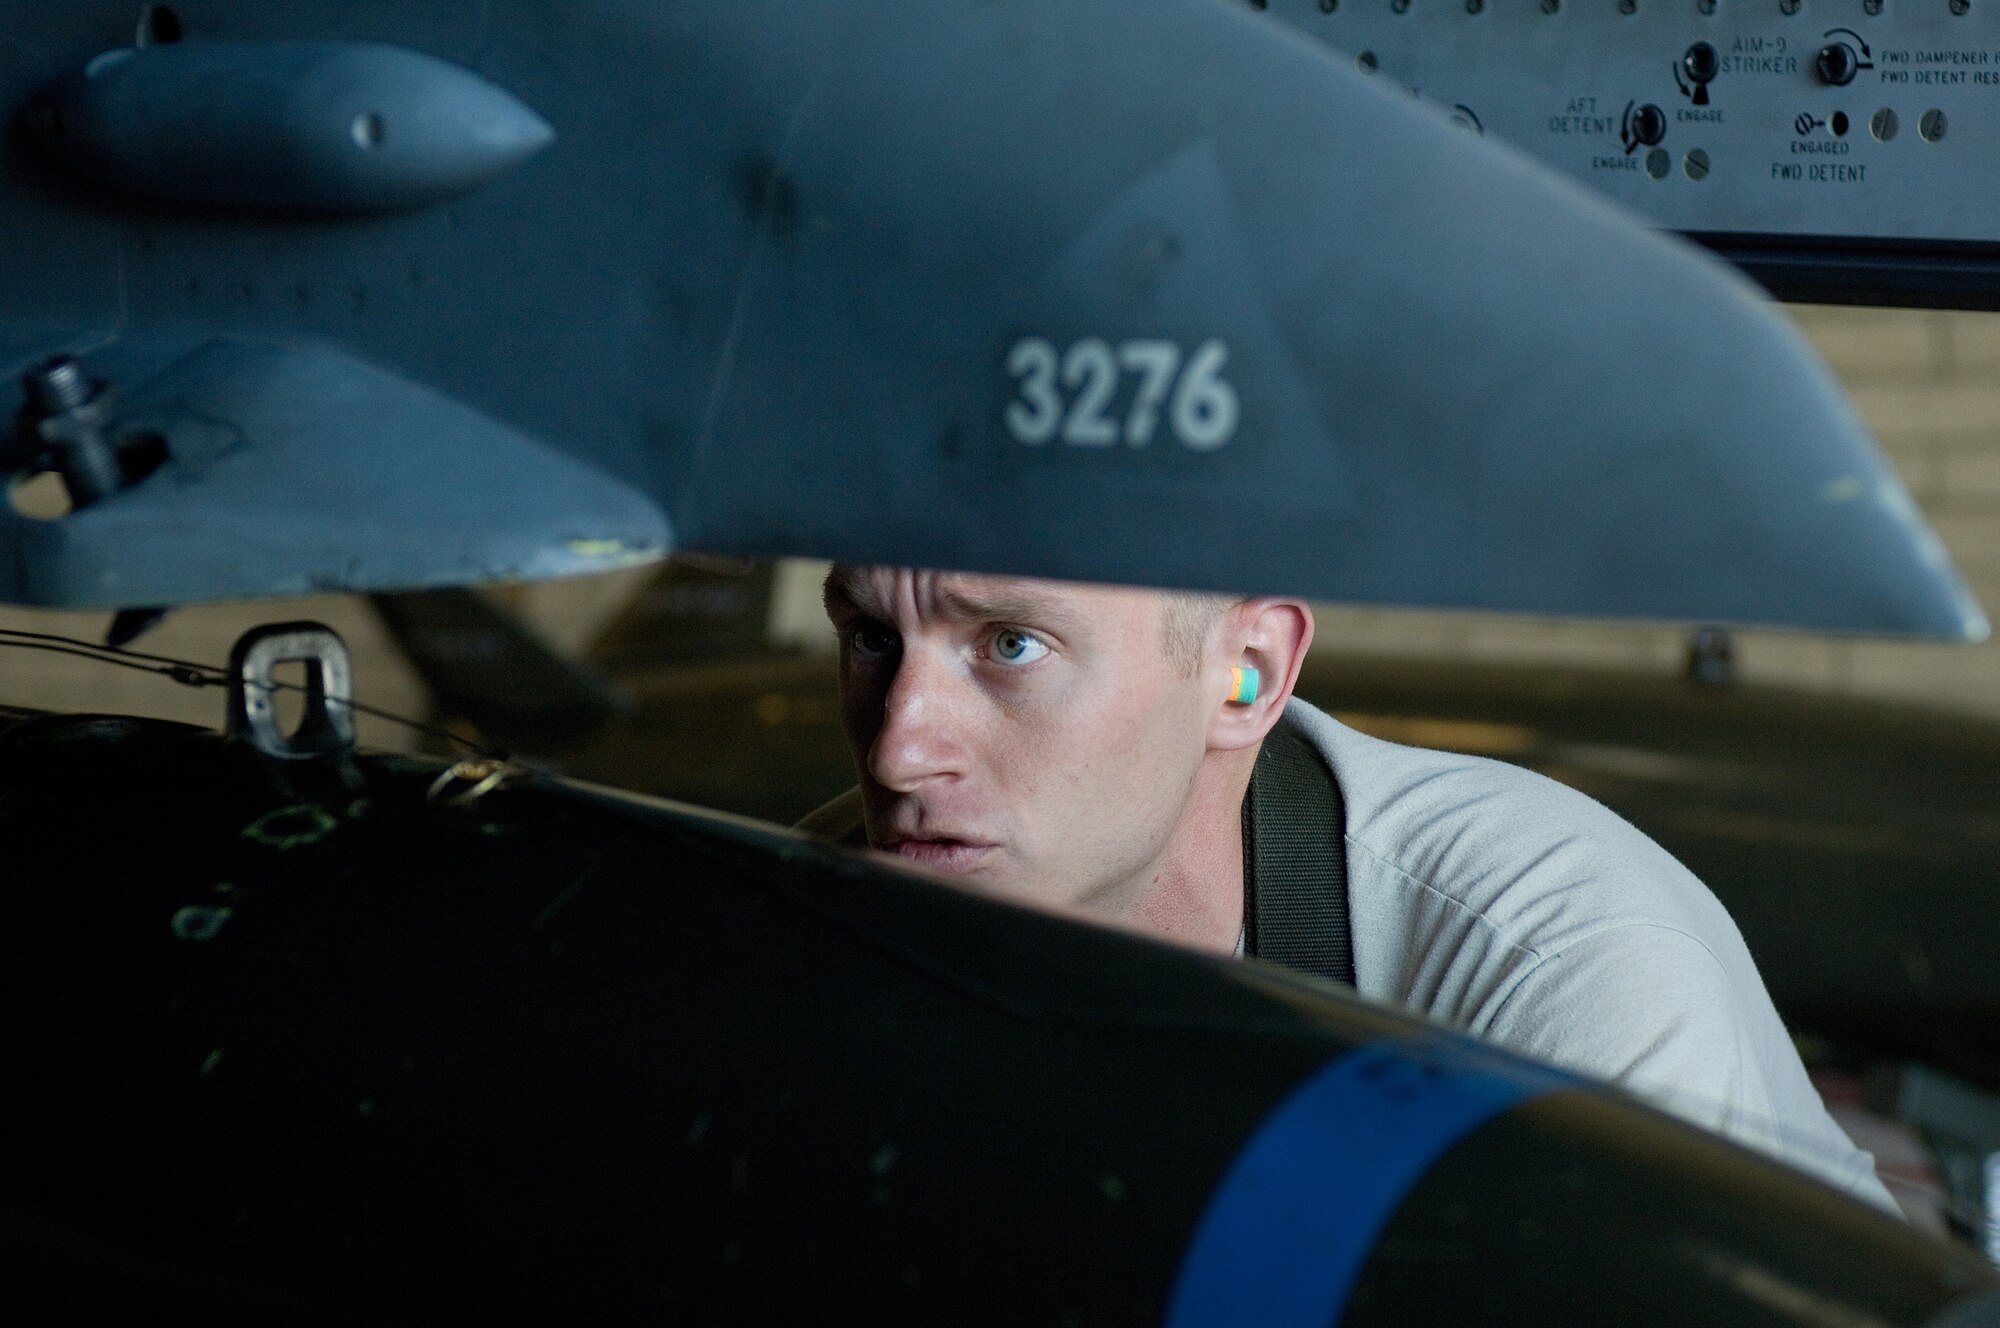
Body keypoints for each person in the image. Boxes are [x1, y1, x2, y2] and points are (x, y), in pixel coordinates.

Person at [800, 564, 1895, 1210]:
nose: (897, 751)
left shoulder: (1554, 974)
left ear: (1247, 675)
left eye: (1010, 644)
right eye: (869, 635)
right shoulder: (802, 909)